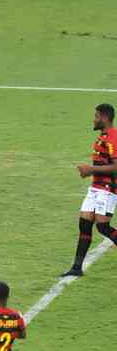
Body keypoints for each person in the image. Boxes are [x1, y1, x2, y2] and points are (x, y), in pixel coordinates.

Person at [62, 104, 117, 276]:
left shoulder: (113, 138)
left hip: (108, 188)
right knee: (84, 224)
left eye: (96, 116)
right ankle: (76, 268)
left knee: (102, 227)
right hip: (96, 187)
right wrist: (90, 173)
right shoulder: (103, 137)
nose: (94, 119)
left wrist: (91, 170)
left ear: (104, 117)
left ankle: (77, 268)